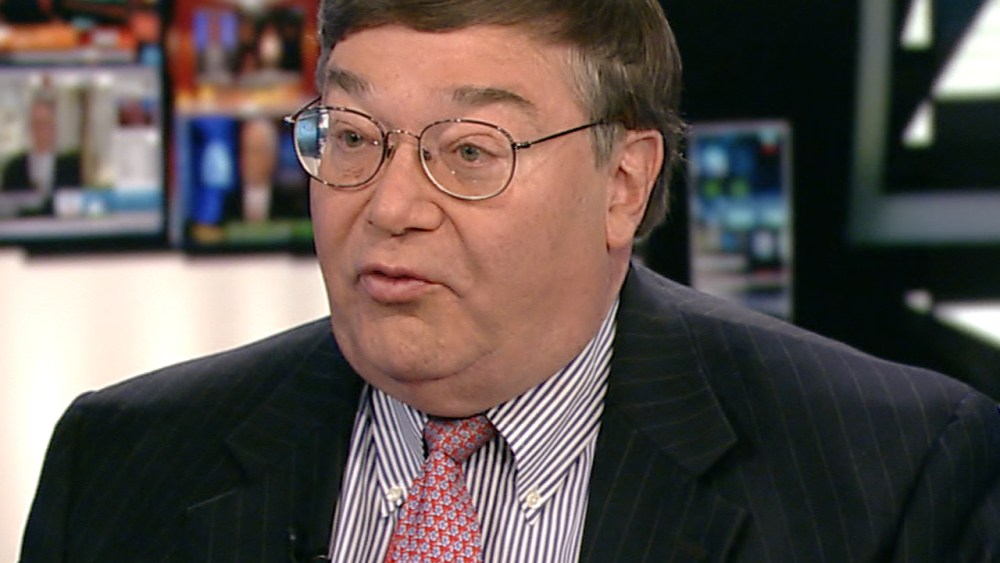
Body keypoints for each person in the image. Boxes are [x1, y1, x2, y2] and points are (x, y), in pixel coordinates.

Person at [20, 0, 1000, 561]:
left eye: (469, 151)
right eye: (352, 137)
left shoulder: (891, 475)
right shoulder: (122, 462)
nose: (390, 205)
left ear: (623, 183)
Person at [1, 93, 82, 214]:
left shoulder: (71, 168)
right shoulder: (14, 169)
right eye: (36, 124)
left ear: (54, 127)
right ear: (29, 127)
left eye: (45, 124)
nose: (40, 131)